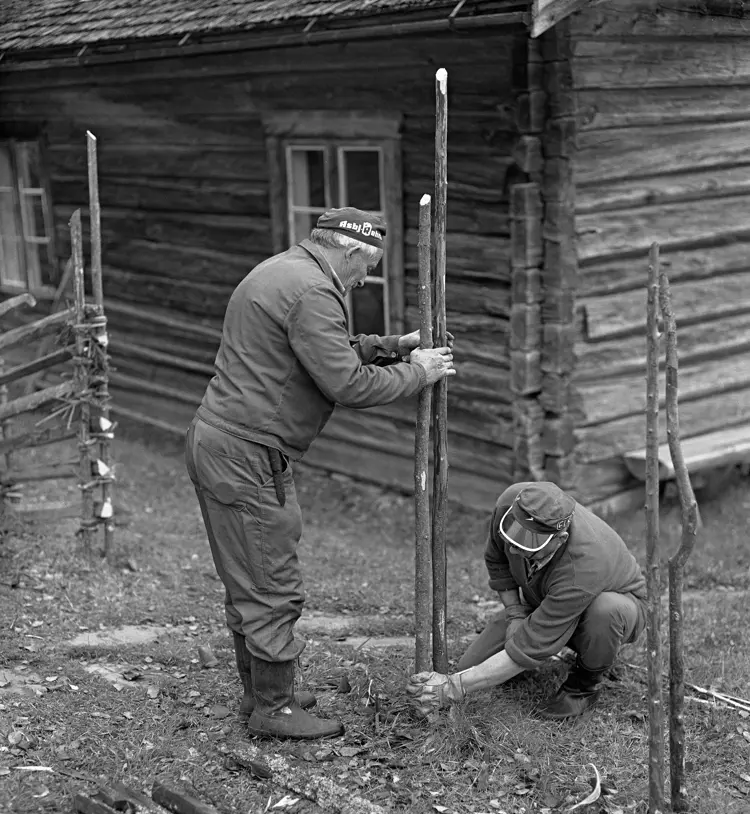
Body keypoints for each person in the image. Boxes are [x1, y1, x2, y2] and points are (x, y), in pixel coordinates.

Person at [186, 206, 455, 742]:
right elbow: (346, 383)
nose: (364, 280)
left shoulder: (287, 270)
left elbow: (317, 354)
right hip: (245, 453)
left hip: (231, 443)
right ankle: (274, 708)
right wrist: (417, 372)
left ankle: (261, 691)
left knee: (251, 576)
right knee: (269, 583)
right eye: (366, 268)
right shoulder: (313, 291)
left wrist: (391, 347)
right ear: (351, 252)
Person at [407, 481, 647, 720]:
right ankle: (523, 653)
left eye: (528, 545)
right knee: (469, 665)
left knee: (605, 611)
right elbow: (497, 560)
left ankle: (583, 687)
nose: (513, 550)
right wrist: (515, 614)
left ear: (560, 539)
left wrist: (450, 688)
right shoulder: (513, 500)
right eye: (513, 537)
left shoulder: (585, 566)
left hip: (616, 609)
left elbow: (530, 644)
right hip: (545, 599)